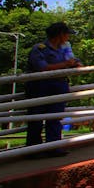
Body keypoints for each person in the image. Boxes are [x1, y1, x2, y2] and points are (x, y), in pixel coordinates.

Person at [25, 21, 83, 156]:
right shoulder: (39, 49)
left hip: (58, 87)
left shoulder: (64, 50)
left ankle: (54, 147)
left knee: (55, 118)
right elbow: (42, 67)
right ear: (60, 35)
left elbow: (75, 61)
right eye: (67, 34)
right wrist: (65, 64)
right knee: (36, 119)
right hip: (39, 87)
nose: (68, 37)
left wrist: (75, 64)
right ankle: (33, 150)